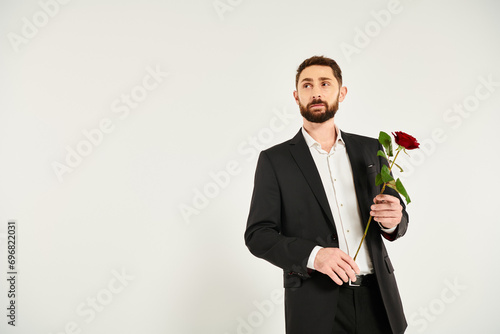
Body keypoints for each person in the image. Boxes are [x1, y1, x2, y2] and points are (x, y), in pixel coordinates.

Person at [244, 55, 408, 334]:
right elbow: (258, 235)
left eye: (325, 83)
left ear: (341, 93)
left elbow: (398, 223)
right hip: (315, 306)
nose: (316, 92)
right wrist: (314, 255)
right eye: (307, 85)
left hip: (379, 300)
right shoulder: (275, 160)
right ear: (296, 96)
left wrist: (393, 220)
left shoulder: (372, 150)